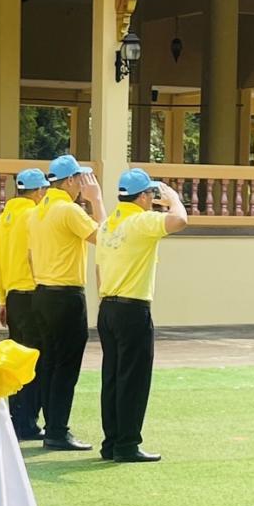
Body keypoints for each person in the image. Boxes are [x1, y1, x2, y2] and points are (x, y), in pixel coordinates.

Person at [94, 169, 189, 463]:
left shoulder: (108, 224)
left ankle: (111, 442)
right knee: (133, 379)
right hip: (132, 307)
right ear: (144, 196)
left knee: (111, 377)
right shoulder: (140, 220)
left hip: (107, 307)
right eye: (152, 195)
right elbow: (180, 221)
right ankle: (127, 444)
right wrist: (173, 199)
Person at [29, 154, 107, 451]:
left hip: (42, 292)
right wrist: (96, 200)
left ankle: (53, 426)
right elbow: (107, 237)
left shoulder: (39, 210)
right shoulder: (68, 210)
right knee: (65, 366)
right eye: (81, 180)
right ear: (71, 180)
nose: (83, 186)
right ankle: (58, 430)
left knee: (49, 363)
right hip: (65, 295)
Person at [0, 168, 48, 440]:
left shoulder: (3, 218)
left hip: (12, 295)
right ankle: (28, 421)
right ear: (39, 191)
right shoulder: (34, 215)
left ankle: (17, 417)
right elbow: (33, 255)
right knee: (34, 361)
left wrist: (1, 298)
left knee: (18, 358)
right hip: (32, 292)